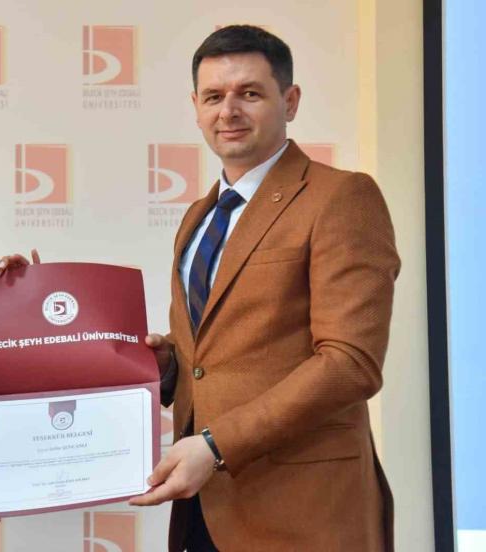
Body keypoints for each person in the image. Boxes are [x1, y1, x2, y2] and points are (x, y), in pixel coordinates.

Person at [123, 25, 400, 551]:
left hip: (304, 511)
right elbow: (213, 358)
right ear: (196, 107)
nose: (228, 111)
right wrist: (167, 366)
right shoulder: (199, 216)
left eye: (249, 93)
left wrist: (216, 445)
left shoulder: (342, 197)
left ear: (289, 101)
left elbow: (350, 362)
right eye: (213, 97)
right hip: (204, 505)